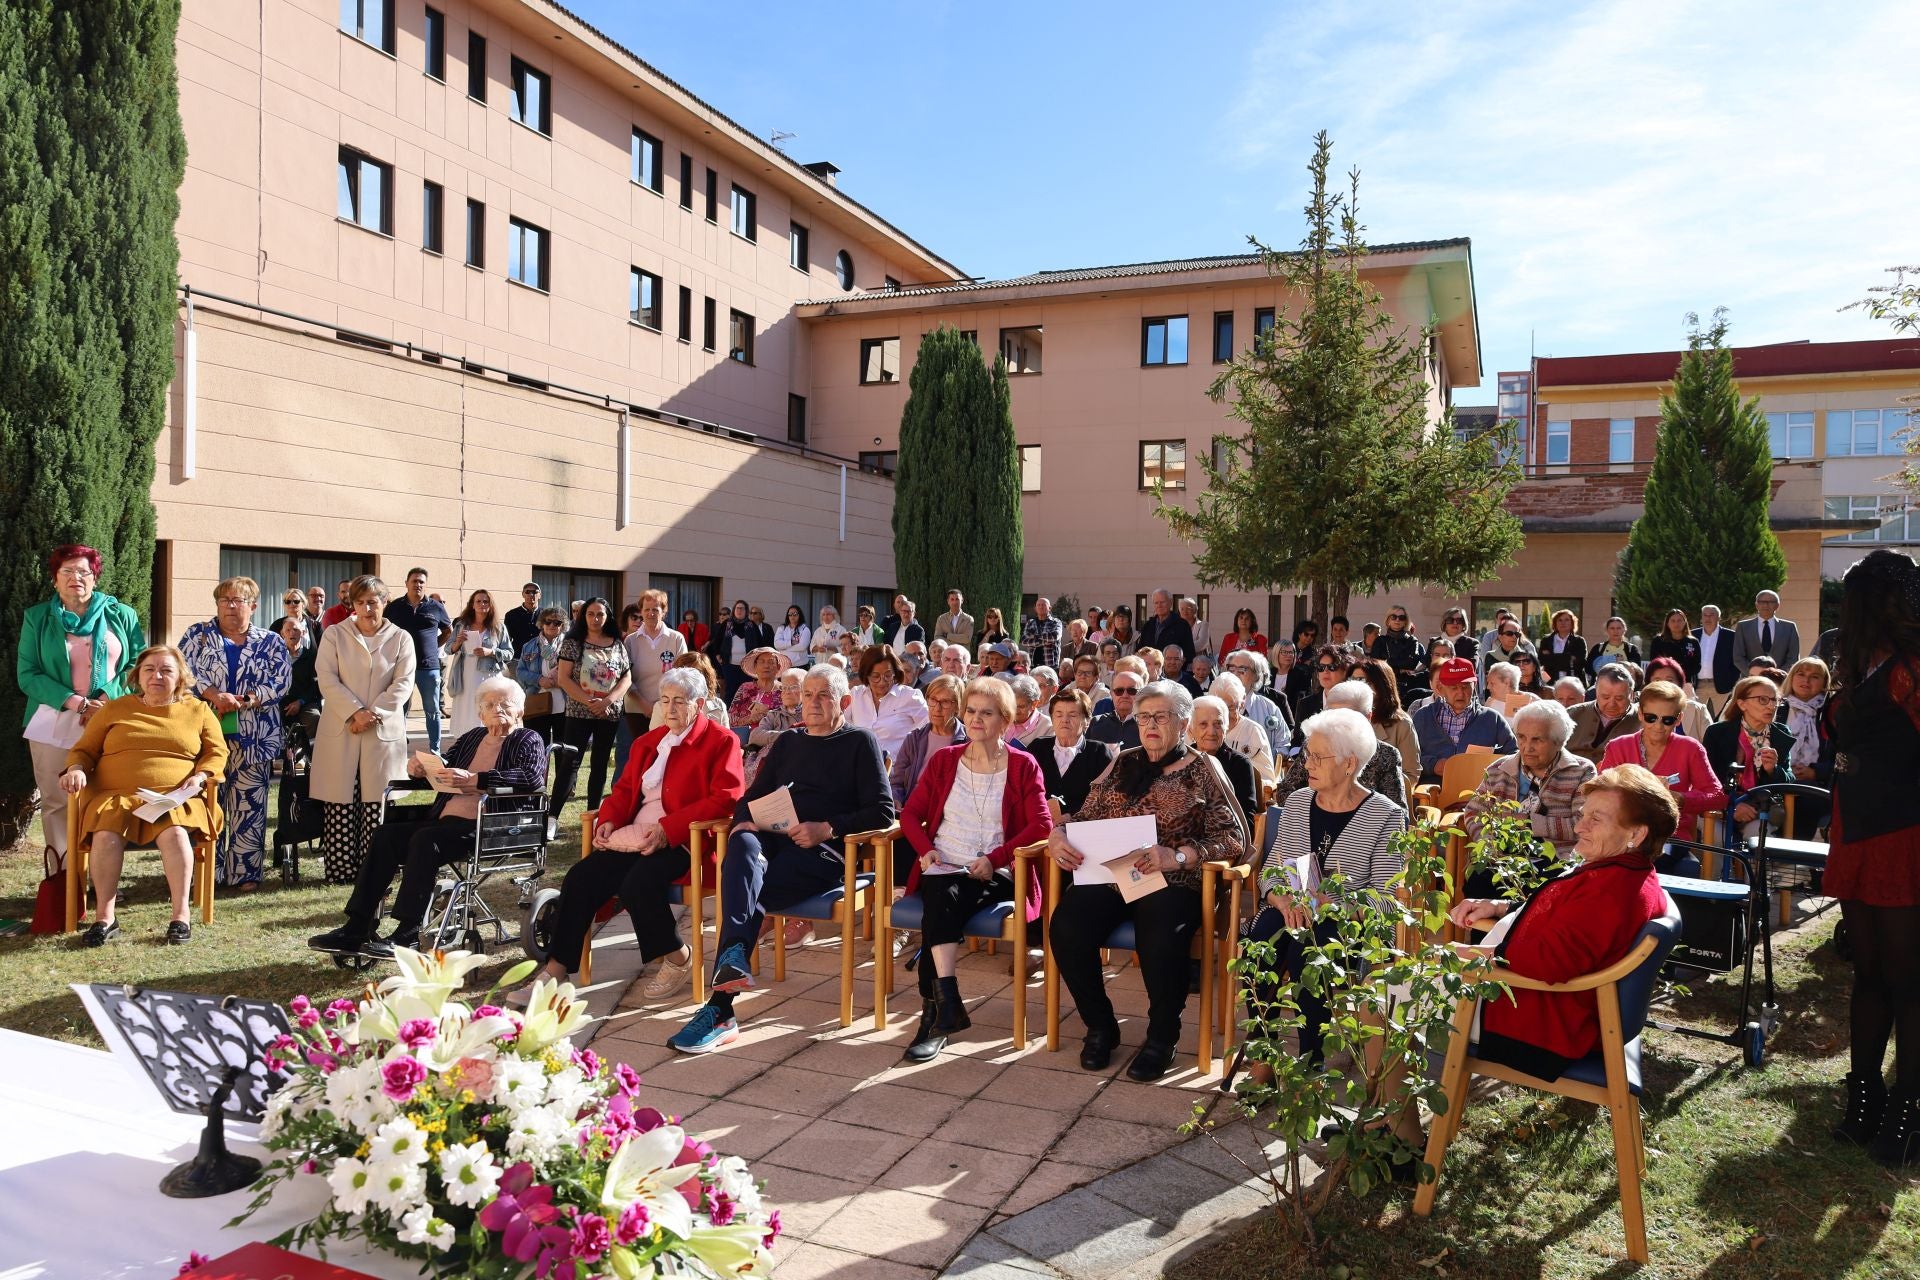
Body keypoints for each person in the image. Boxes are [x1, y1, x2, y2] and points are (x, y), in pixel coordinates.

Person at [669, 664, 895, 1053]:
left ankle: (721, 1003)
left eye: (823, 695)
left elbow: (883, 812)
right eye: (807, 695)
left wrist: (827, 828)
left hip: (823, 851)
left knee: (749, 887)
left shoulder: (860, 742)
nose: (813, 703)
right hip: (775, 839)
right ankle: (730, 976)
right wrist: (744, 824)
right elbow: (749, 800)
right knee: (739, 848)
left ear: (842, 701)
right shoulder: (789, 742)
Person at [1047, 680, 1249, 1080]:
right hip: (1114, 874)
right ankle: (1101, 1025)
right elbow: (1085, 815)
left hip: (1175, 880)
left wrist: (1175, 856)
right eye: (1143, 717)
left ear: (1183, 722)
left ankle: (1162, 1036)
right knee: (1066, 926)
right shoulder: (1123, 762)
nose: (1150, 725)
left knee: (1159, 931)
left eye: (1160, 716)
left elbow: (1233, 838)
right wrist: (1059, 836)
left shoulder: (1203, 768)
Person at [1446, 765, 1677, 1084]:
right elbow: (1569, 919)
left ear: (1636, 834)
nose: (1580, 826)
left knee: (1379, 994)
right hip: (1530, 1001)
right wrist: (1500, 907)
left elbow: (1552, 961)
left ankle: (1401, 1129)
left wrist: (1463, 955)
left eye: (1596, 819)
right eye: (1584, 814)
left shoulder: (1610, 891)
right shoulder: (1622, 873)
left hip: (1530, 1017)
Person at [527, 667, 744, 1000]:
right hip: (634, 834)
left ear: (699, 704)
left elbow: (727, 797)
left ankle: (678, 956)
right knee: (580, 877)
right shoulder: (648, 742)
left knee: (636, 885)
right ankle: (556, 969)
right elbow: (624, 789)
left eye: (679, 702)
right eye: (665, 700)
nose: (669, 709)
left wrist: (668, 829)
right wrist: (610, 821)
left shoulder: (720, 741)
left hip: (685, 840)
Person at [309, 677, 548, 958]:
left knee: (426, 839)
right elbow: (445, 765)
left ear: (520, 710)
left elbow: (530, 778)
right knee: (386, 835)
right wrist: (421, 769)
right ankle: (357, 926)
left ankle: (407, 934)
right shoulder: (472, 737)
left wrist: (476, 779)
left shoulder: (528, 739)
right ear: (479, 713)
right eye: (490, 704)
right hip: (446, 823)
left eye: (505, 704)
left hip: (492, 826)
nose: (498, 709)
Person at [1821, 549, 1920, 1164]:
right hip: (1857, 828)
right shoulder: (1859, 663)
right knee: (1870, 974)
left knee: (1910, 980)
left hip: (1905, 833)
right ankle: (1865, 1101)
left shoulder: (1913, 667)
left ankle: (1909, 1108)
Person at [1242, 707, 1406, 1077]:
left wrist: (1335, 902)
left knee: (1308, 954)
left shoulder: (1386, 815)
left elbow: (1386, 899)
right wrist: (1280, 899)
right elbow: (1272, 870)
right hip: (1291, 908)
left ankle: (1311, 1058)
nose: (1307, 764)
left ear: (1349, 763)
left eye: (1318, 756)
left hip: (1348, 923)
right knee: (1258, 942)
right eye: (1307, 754)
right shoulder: (1299, 802)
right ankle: (1263, 1053)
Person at [896, 677, 1052, 1060]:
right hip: (944, 865)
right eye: (971, 711)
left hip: (997, 873)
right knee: (941, 892)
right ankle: (943, 1006)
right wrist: (926, 851)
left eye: (987, 712)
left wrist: (996, 858)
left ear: (1005, 720)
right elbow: (912, 815)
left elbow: (1042, 825)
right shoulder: (945, 760)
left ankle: (936, 1014)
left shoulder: (1023, 765)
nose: (976, 719)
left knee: (940, 902)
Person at [60, 645, 227, 945]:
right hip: (116, 796)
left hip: (174, 797)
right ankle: (105, 918)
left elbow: (217, 753)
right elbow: (84, 750)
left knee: (175, 833)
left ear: (180, 678)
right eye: (149, 669)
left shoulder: (198, 709)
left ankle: (180, 917)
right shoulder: (115, 708)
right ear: (138, 675)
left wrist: (201, 777)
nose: (157, 676)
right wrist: (76, 768)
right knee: (105, 834)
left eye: (166, 670)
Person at [19, 543, 144, 924]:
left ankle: (101, 883)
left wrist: (105, 697)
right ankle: (65, 882)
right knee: (58, 804)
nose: (77, 578)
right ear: (55, 579)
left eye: (84, 572)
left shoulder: (120, 613)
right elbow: (28, 674)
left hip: (109, 722)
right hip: (52, 724)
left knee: (102, 800)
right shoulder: (37, 618)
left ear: (96, 576)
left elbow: (137, 663)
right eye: (68, 572)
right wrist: (76, 702)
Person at [179, 576, 292, 891]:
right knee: (205, 803)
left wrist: (247, 699)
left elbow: (281, 680)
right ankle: (207, 872)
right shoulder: (197, 636)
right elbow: (183, 671)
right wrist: (214, 694)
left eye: (237, 600)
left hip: (254, 737)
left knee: (250, 806)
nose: (229, 605)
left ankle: (244, 873)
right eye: (224, 599)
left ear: (252, 606)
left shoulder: (270, 641)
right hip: (204, 736)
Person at [310, 575, 417, 884]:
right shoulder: (334, 634)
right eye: (360, 602)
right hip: (344, 726)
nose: (367, 608)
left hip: (382, 730)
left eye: (373, 601)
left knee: (378, 802)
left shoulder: (401, 638)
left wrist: (374, 714)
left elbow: (403, 683)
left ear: (385, 602)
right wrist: (356, 712)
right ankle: (341, 871)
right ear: (352, 605)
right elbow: (326, 677)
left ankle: (378, 869)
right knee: (340, 799)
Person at [1599, 680, 1721, 852]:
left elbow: (1717, 796)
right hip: (1623, 834)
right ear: (1640, 714)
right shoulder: (1618, 746)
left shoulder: (1690, 748)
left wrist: (1678, 798)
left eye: (1667, 720)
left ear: (1679, 719)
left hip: (1670, 837)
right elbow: (1601, 792)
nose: (1658, 726)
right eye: (1651, 718)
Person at [1459, 699, 1596, 852]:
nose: (1527, 747)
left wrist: (1529, 823)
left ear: (1559, 742)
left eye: (1537, 740)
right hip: (1501, 857)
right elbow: (1473, 812)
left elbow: (1584, 824)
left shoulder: (1581, 771)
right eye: (1521, 737)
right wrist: (1491, 846)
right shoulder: (1499, 769)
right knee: (1479, 876)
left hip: (1557, 858)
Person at [1273, 680, 1408, 811]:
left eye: (1344, 718)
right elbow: (1285, 791)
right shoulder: (1313, 747)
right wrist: (1318, 812)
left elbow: (1398, 814)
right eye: (1330, 715)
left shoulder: (1386, 755)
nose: (1334, 724)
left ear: (1368, 718)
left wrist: (1346, 814)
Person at [553, 598, 632, 818]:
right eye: (591, 614)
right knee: (570, 763)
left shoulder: (617, 643)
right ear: (583, 616)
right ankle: (552, 818)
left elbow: (626, 677)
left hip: (608, 714)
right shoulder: (573, 642)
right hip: (579, 713)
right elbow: (563, 678)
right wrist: (590, 702)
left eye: (600, 614)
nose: (595, 619)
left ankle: (592, 816)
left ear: (608, 617)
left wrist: (608, 701)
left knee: (599, 765)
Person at [1702, 675, 1794, 838]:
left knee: (1758, 837)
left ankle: (1752, 865)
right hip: (1720, 804)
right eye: (1763, 700)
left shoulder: (1780, 734)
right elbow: (1706, 780)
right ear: (1742, 703)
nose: (1771, 706)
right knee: (1716, 837)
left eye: (1775, 700)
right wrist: (1731, 805)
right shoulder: (1717, 732)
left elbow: (1789, 782)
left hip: (1760, 808)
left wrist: (1773, 770)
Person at [1411, 657, 1516, 783]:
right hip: (1432, 791)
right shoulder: (1423, 717)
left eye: (1465, 687)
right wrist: (1433, 765)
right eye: (1453, 688)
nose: (1460, 694)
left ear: (1475, 685)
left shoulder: (1492, 718)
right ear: (1440, 688)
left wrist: (1492, 765)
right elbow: (1408, 757)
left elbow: (1514, 753)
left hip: (1480, 793)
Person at [382, 568, 452, 752]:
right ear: (406, 583)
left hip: (428, 667)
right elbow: (384, 631)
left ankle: (435, 750)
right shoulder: (395, 607)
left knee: (433, 710)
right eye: (414, 581)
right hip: (401, 667)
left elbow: (448, 630)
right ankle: (399, 746)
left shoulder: (436, 607)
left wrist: (433, 645)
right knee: (400, 709)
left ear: (425, 585)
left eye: (421, 581)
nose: (418, 584)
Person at [1032, 688, 1118, 818]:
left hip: (1083, 829)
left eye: (1072, 715)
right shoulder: (1037, 748)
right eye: (1059, 715)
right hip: (1040, 825)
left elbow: (1107, 800)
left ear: (1087, 721)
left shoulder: (1099, 753)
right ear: (1052, 719)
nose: (1065, 720)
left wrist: (1074, 817)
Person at [622, 589, 687, 755]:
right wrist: (645, 705)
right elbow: (625, 678)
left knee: (667, 757)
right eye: (646, 609)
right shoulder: (630, 641)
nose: (650, 613)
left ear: (664, 612)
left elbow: (683, 675)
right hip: (637, 709)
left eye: (655, 609)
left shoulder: (676, 639)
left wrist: (661, 706)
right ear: (641, 611)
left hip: (669, 710)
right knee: (641, 757)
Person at [891, 674, 968, 808]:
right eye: (933, 700)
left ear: (958, 706)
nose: (937, 708)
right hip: (911, 808)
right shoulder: (914, 739)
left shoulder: (968, 741)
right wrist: (896, 799)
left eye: (945, 702)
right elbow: (897, 783)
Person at [1777, 657, 1833, 838]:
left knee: (1808, 801)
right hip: (1776, 779)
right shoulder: (1777, 708)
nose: (1806, 681)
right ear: (1791, 677)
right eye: (1801, 674)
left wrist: (1815, 772)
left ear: (1824, 683)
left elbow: (1843, 756)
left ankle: (1794, 860)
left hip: (1817, 784)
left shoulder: (1832, 713)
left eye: (1814, 676)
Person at [444, 589, 511, 739]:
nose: (482, 604)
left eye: (485, 601)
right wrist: (458, 642)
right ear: (472, 605)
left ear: (490, 605)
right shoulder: (462, 625)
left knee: (487, 707)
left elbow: (509, 653)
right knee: (467, 709)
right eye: (478, 601)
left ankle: (488, 741)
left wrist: (491, 652)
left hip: (489, 676)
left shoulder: (498, 628)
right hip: (466, 676)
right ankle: (466, 743)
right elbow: (449, 649)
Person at [1350, 658, 1421, 800]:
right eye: (1353, 680)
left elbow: (1411, 775)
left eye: (1364, 681)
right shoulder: (1343, 719)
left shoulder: (1402, 725)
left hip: (1383, 801)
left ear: (1382, 685)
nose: (1357, 686)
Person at [846, 644, 929, 762]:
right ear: (866, 674)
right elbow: (841, 729)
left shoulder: (909, 697)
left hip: (897, 773)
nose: (882, 682)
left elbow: (929, 732)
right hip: (860, 770)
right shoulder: (855, 695)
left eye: (888, 675)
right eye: (875, 676)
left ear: (895, 673)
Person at [1191, 695, 1259, 831]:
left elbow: (1246, 818)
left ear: (1226, 728)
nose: (1211, 732)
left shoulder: (1239, 764)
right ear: (1190, 729)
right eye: (1203, 724)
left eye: (1218, 724)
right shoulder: (1180, 761)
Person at [1208, 673, 1276, 788]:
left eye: (1230, 708)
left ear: (1243, 701)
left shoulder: (1253, 732)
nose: (1224, 715)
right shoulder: (1200, 728)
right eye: (1219, 708)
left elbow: (1267, 780)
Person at [515, 607, 570, 748]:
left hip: (565, 703)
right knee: (537, 747)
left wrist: (562, 681)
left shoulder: (570, 646)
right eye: (548, 621)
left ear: (562, 625)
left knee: (562, 749)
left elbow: (579, 673)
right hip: (536, 701)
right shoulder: (529, 646)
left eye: (557, 623)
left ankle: (561, 772)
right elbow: (520, 672)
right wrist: (539, 679)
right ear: (542, 623)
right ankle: (540, 771)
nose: (552, 625)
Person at [744, 666, 807, 788]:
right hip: (776, 767)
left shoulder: (809, 714)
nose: (787, 692)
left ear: (805, 690)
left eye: (793, 687)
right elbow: (755, 735)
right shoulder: (774, 715)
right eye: (784, 688)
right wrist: (786, 736)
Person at [1567, 666, 1640, 764]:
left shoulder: (1643, 720)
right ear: (1596, 692)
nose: (1612, 704)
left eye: (1619, 698)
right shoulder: (1571, 714)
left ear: (1631, 695)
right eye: (1605, 697)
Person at [653, 651, 731, 731]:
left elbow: (726, 738)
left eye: (696, 673)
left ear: (706, 677)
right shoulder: (661, 707)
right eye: (685, 673)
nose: (691, 677)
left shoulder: (718, 705)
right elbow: (654, 740)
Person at [1643, 656, 1711, 739]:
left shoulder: (1698, 710)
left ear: (1679, 684)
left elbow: (1712, 746)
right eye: (1657, 680)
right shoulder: (1639, 712)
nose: (1664, 685)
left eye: (1669, 680)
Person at [1734, 589, 1801, 671]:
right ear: (1756, 605)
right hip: (1750, 679)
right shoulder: (1743, 627)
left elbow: (1793, 658)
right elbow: (1738, 657)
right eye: (1762, 602)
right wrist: (1754, 674)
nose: (1766, 605)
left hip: (1780, 680)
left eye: (1771, 602)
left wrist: (1777, 675)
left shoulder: (1789, 627)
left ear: (1777, 605)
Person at [706, 600, 759, 702]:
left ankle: (745, 715)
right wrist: (717, 655)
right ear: (734, 610)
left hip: (747, 666)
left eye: (742, 608)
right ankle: (729, 715)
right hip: (729, 664)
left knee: (746, 691)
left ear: (746, 611)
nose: (739, 610)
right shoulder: (727, 624)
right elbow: (717, 641)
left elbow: (760, 643)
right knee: (730, 691)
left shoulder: (751, 625)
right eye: (737, 608)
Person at [1370, 605, 1426, 701]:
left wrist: (1388, 662)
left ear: (1405, 621)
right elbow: (1375, 664)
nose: (1397, 620)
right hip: (1384, 684)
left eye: (1401, 618)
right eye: (1393, 617)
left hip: (1406, 687)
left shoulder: (1412, 640)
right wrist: (1400, 670)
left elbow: (1411, 664)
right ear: (1388, 620)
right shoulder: (1380, 641)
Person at [275, 615, 322, 727]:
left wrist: (300, 702)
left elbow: (315, 685)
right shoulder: (275, 656)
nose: (292, 633)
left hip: (304, 702)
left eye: (295, 629)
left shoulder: (311, 656)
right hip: (279, 702)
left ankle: (309, 745)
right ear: (282, 634)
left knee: (314, 718)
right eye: (288, 630)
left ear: (303, 632)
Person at [728, 647, 790, 729]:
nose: (766, 665)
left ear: (778, 667)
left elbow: (791, 718)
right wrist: (749, 719)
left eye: (771, 662)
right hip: (747, 737)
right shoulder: (745, 688)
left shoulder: (785, 690)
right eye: (761, 662)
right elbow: (730, 719)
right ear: (755, 667)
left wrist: (768, 715)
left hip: (775, 737)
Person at [1695, 604, 1739, 717]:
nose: (1708, 618)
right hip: (1697, 686)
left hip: (1721, 686)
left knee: (1723, 718)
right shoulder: (1693, 635)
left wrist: (1731, 682)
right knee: (1695, 718)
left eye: (1711, 615)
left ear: (1719, 618)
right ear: (1701, 617)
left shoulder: (1731, 636)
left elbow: (1736, 661)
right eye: (1705, 615)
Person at [1085, 669, 1143, 749]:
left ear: (1142, 694)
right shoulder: (1096, 723)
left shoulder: (1149, 725)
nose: (1125, 695)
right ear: (1112, 694)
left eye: (1132, 691)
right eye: (1119, 691)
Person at [1294, 644, 1349, 727]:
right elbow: (1298, 739)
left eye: (1332, 667)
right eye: (1321, 667)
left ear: (1345, 672)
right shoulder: (1305, 704)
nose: (1325, 671)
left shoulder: (1352, 703)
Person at [1478, 618, 1535, 689]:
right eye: (1509, 634)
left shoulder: (1526, 658)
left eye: (1517, 634)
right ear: (1500, 637)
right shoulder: (1490, 656)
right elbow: (1488, 685)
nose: (1514, 637)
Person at [1648, 609, 1702, 686]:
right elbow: (1654, 662)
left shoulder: (1693, 642)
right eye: (1673, 621)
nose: (1676, 623)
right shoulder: (1658, 641)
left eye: (1679, 620)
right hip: (1664, 683)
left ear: (1685, 622)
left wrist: (1679, 671)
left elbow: (1697, 666)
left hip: (1686, 683)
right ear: (1667, 623)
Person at [1136, 588, 1195, 658]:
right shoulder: (1148, 625)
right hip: (1150, 667)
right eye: (1156, 603)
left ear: (1171, 602)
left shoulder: (1182, 625)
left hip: (1174, 668)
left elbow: (1189, 653)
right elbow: (1140, 650)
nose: (1159, 605)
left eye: (1162, 602)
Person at [1538, 609, 1586, 686]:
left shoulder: (1579, 641)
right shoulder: (1546, 640)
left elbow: (1580, 663)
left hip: (1573, 683)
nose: (1563, 623)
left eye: (1567, 620)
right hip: (1550, 683)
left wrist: (1551, 657)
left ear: (1572, 623)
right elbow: (1542, 661)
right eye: (1559, 620)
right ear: (1555, 623)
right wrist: (1568, 658)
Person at [502, 583, 542, 657]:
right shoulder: (511, 615)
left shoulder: (546, 615)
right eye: (527, 592)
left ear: (540, 595)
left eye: (534, 592)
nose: (531, 594)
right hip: (518, 659)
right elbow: (506, 639)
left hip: (541, 659)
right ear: (523, 594)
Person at [1006, 674, 1048, 745]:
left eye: (1021, 706)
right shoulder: (1001, 719)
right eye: (1012, 705)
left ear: (1034, 704)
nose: (1015, 711)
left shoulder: (1047, 727)